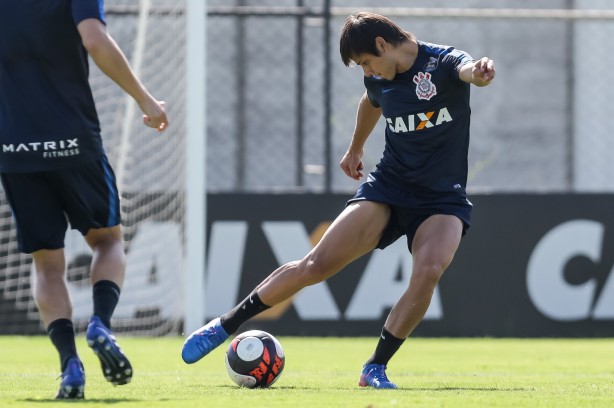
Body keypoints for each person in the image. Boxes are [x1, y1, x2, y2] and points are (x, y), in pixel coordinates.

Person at [181, 11, 495, 389]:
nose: (367, 71)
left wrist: (477, 72)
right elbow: (370, 101)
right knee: (315, 264)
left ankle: (375, 367)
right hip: (389, 188)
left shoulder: (442, 62)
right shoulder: (378, 78)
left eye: (365, 61)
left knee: (427, 273)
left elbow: (466, 70)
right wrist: (355, 148)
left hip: (442, 198)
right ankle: (224, 325)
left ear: (382, 45)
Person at [0, 0, 168, 400]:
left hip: (14, 148)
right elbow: (93, 37)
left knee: (46, 264)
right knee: (107, 240)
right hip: (74, 141)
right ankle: (100, 323)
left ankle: (69, 367)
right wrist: (144, 99)